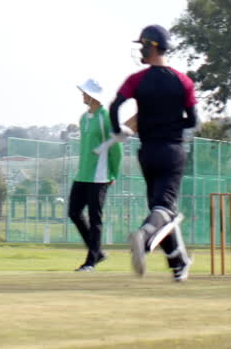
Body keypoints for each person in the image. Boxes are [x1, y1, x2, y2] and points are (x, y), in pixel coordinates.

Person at [106, 24, 198, 282]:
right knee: (164, 210)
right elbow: (192, 121)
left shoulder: (136, 80)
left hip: (147, 152)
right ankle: (144, 235)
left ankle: (179, 264)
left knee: (162, 209)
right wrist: (170, 123)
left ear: (151, 47)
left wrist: (118, 130)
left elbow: (115, 107)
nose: (141, 51)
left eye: (143, 46)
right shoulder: (183, 81)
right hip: (172, 151)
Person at [69, 79, 124, 272]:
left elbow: (117, 146)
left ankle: (91, 261)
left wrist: (113, 172)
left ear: (93, 96)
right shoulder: (84, 118)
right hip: (82, 174)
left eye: (85, 92)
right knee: (73, 212)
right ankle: (97, 251)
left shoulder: (105, 117)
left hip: (100, 177)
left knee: (95, 219)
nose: (82, 95)